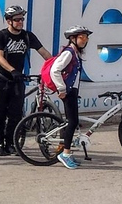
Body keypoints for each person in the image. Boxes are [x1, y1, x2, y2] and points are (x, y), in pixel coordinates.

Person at [0, 5, 51, 156]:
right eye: (17, 20)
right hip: (0, 78)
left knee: (16, 113)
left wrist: (55, 65)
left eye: (22, 19)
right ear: (9, 21)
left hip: (17, 80)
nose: (20, 22)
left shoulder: (27, 36)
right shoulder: (1, 36)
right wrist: (12, 70)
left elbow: (44, 53)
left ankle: (11, 142)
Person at [52, 25, 92, 169]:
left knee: (73, 122)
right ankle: (65, 154)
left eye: (86, 37)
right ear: (73, 38)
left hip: (72, 91)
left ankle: (67, 152)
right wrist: (61, 89)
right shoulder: (68, 53)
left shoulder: (75, 53)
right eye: (82, 37)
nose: (85, 40)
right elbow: (54, 70)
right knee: (72, 122)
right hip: (67, 91)